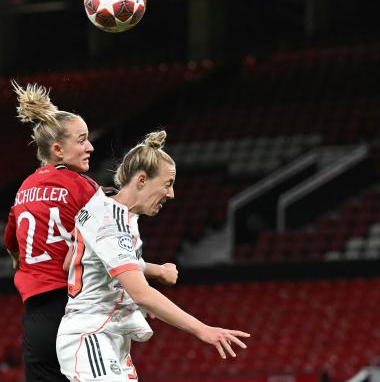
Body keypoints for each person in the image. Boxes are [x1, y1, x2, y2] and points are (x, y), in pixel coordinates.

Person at [4, 83, 178, 382]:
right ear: (58, 149)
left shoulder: (23, 191)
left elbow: (13, 247)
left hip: (35, 319)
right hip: (73, 309)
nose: (91, 147)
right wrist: (154, 271)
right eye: (82, 140)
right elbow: (104, 243)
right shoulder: (83, 188)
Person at [56, 130, 250, 382]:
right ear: (142, 180)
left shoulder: (106, 206)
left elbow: (72, 261)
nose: (171, 195)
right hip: (92, 335)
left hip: (109, 338)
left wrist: (154, 270)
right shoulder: (111, 223)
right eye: (168, 184)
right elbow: (141, 293)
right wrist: (203, 330)